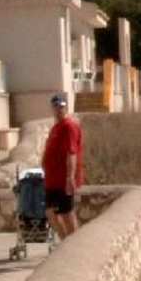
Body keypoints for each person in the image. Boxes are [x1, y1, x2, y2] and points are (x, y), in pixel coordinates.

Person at [42, 93, 83, 239]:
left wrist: (70, 177)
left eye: (61, 106)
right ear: (52, 108)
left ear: (66, 108)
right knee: (51, 213)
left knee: (67, 213)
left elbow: (72, 152)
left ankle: (75, 244)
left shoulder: (69, 126)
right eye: (56, 106)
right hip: (52, 180)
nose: (59, 109)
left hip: (63, 180)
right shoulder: (56, 128)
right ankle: (66, 242)